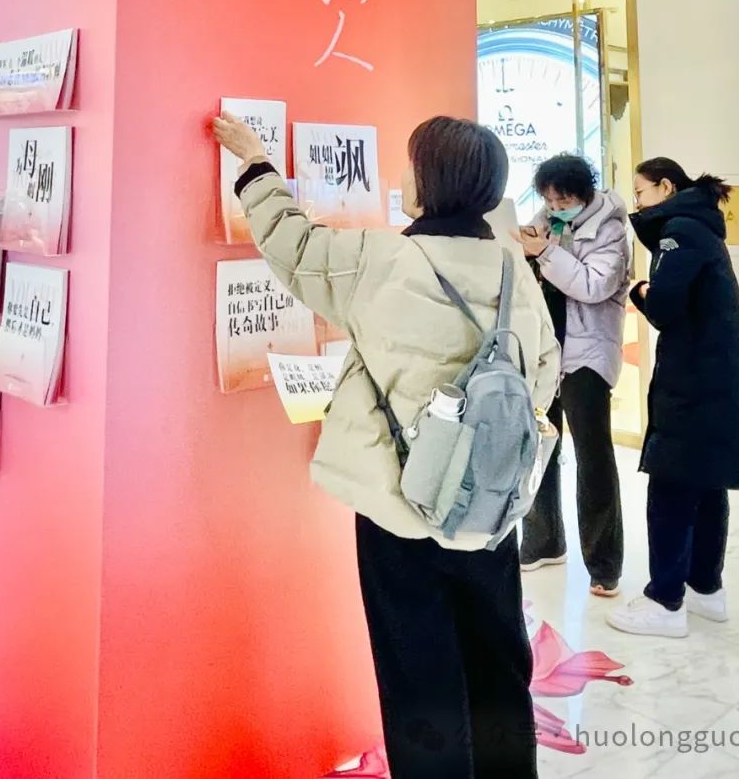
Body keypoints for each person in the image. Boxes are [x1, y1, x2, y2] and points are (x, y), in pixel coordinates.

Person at [214, 112, 559, 779]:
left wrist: (255, 163)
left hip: (398, 505)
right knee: (497, 661)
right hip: (489, 509)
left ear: (428, 181)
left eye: (411, 163)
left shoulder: (381, 260)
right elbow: (543, 370)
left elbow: (292, 245)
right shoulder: (511, 267)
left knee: (418, 673)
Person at [607, 158, 739, 639]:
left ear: (666, 186)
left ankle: (665, 600)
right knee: (707, 482)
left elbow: (664, 308)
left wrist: (640, 291)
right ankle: (705, 589)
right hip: (716, 379)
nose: (637, 202)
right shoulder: (701, 226)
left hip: (693, 383)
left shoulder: (679, 231)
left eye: (641, 192)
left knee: (673, 487)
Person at [514, 154, 630, 598]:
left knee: (593, 457)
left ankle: (604, 564)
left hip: (588, 356)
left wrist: (545, 252)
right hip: (546, 353)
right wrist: (524, 249)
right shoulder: (543, 221)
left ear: (583, 193)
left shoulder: (610, 229)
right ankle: (543, 541)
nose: (554, 207)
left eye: (562, 200)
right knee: (539, 448)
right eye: (548, 200)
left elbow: (593, 285)